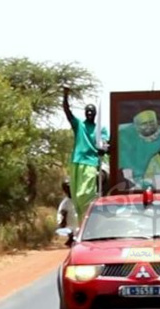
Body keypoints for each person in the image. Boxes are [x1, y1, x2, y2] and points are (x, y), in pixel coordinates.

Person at [63, 86, 109, 219]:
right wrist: (65, 96)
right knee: (76, 195)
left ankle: (88, 219)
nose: (89, 114)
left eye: (91, 112)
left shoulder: (100, 129)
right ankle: (80, 222)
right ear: (85, 113)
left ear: (95, 114)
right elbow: (67, 112)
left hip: (90, 162)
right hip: (76, 162)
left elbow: (105, 143)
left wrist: (103, 149)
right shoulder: (79, 125)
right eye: (87, 112)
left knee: (86, 194)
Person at [117, 109, 160, 189]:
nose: (149, 126)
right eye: (144, 124)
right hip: (134, 178)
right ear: (136, 126)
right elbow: (123, 161)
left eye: (151, 122)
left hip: (159, 176)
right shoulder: (124, 135)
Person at [56, 178, 78, 245]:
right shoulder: (64, 204)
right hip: (72, 234)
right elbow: (61, 223)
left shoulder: (81, 199)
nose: (69, 190)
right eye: (67, 188)